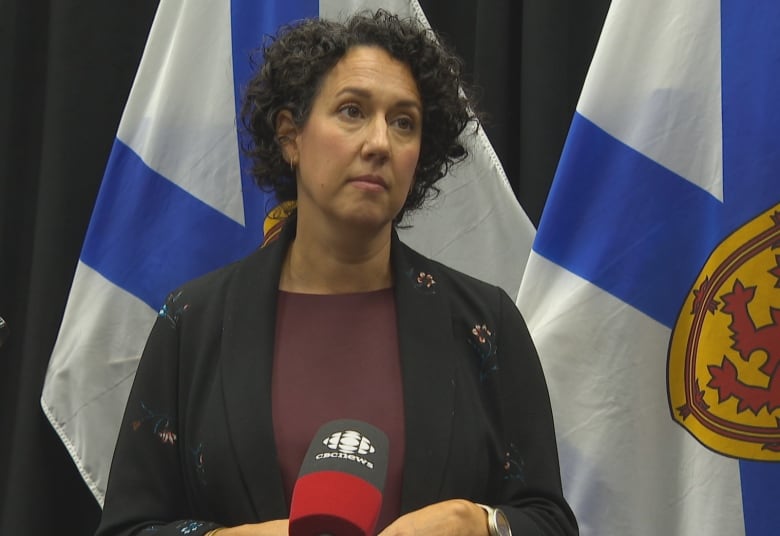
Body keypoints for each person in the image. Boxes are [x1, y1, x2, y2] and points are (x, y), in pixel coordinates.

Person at [95, 10, 578, 536]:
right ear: (290, 136)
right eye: (352, 112)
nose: (379, 143)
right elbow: (128, 528)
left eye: (404, 122)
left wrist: (477, 524)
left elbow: (549, 522)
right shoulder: (195, 320)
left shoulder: (486, 322)